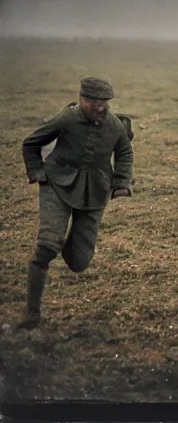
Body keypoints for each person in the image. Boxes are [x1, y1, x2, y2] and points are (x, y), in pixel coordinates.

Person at [17, 77, 134, 330]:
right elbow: (31, 142)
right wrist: (36, 170)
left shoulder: (115, 126)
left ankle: (70, 239)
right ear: (82, 99)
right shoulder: (67, 118)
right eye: (93, 102)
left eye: (104, 102)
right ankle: (32, 314)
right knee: (48, 245)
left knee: (79, 262)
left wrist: (122, 182)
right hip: (57, 183)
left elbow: (124, 152)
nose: (100, 107)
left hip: (95, 190)